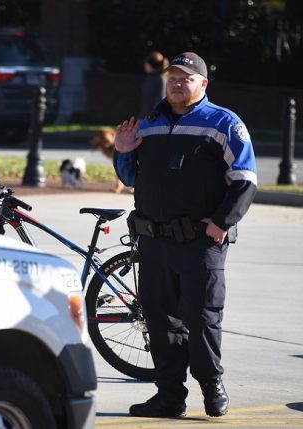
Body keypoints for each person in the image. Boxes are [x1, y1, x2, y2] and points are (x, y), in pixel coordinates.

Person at [113, 52, 257, 418]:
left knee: (201, 317)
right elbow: (131, 178)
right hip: (154, 241)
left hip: (200, 243)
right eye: (172, 77)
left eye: (186, 78)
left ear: (203, 84)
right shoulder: (149, 123)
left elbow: (245, 179)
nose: (177, 83)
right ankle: (169, 396)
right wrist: (123, 152)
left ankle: (212, 387)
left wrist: (222, 222)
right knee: (159, 321)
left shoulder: (223, 123)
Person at [138, 51, 169, 119]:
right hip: (145, 117)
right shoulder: (151, 78)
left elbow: (161, 100)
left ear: (151, 64)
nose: (144, 65)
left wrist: (154, 117)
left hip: (153, 119)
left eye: (146, 63)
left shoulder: (160, 79)